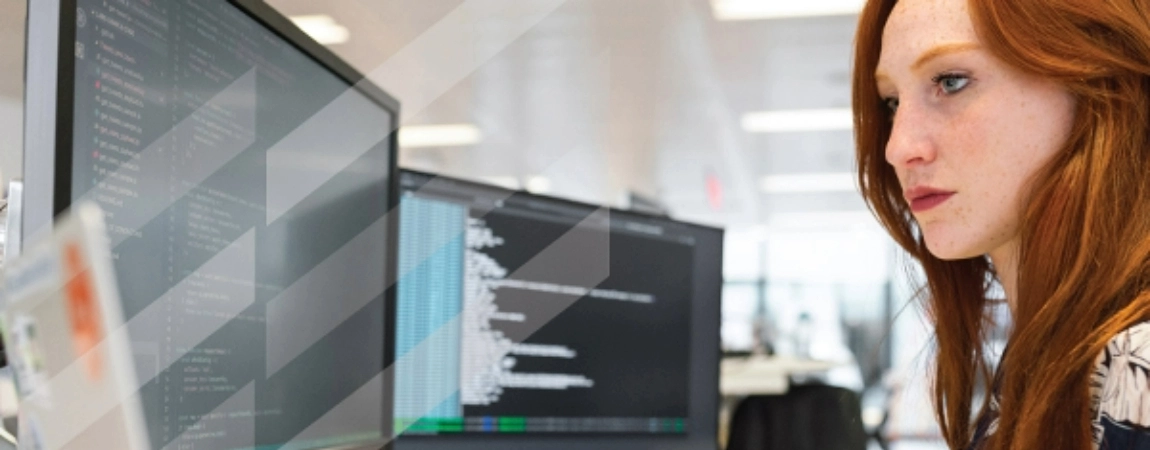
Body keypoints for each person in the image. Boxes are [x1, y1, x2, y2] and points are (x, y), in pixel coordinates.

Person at [852, 0, 1150, 448]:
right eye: (892, 102)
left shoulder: (1135, 363)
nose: (898, 147)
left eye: (950, 82)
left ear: (1094, 80)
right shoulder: (1048, 355)